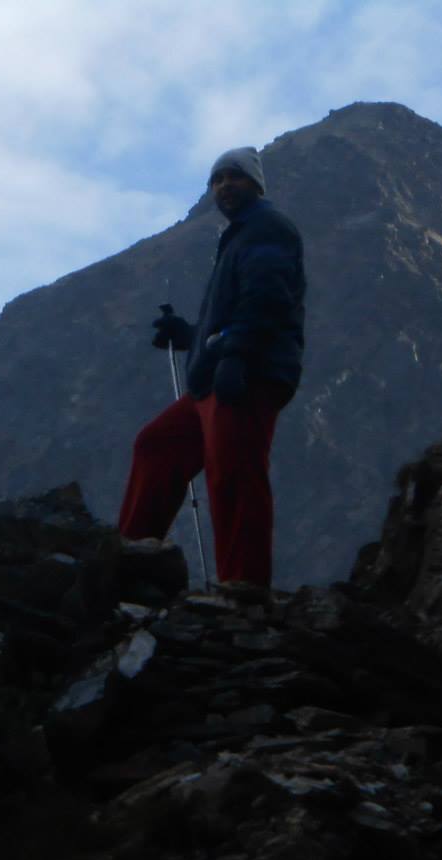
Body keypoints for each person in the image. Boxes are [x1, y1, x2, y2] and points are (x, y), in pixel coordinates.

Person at [118, 146, 305, 588]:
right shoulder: (241, 236)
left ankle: (244, 586)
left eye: (233, 177)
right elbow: (237, 309)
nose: (224, 186)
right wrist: (190, 335)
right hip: (217, 378)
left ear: (256, 184)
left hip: (247, 374)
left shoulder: (266, 228)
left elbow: (267, 299)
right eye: (217, 179)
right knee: (157, 445)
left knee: (234, 473)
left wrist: (237, 355)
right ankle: (127, 560)